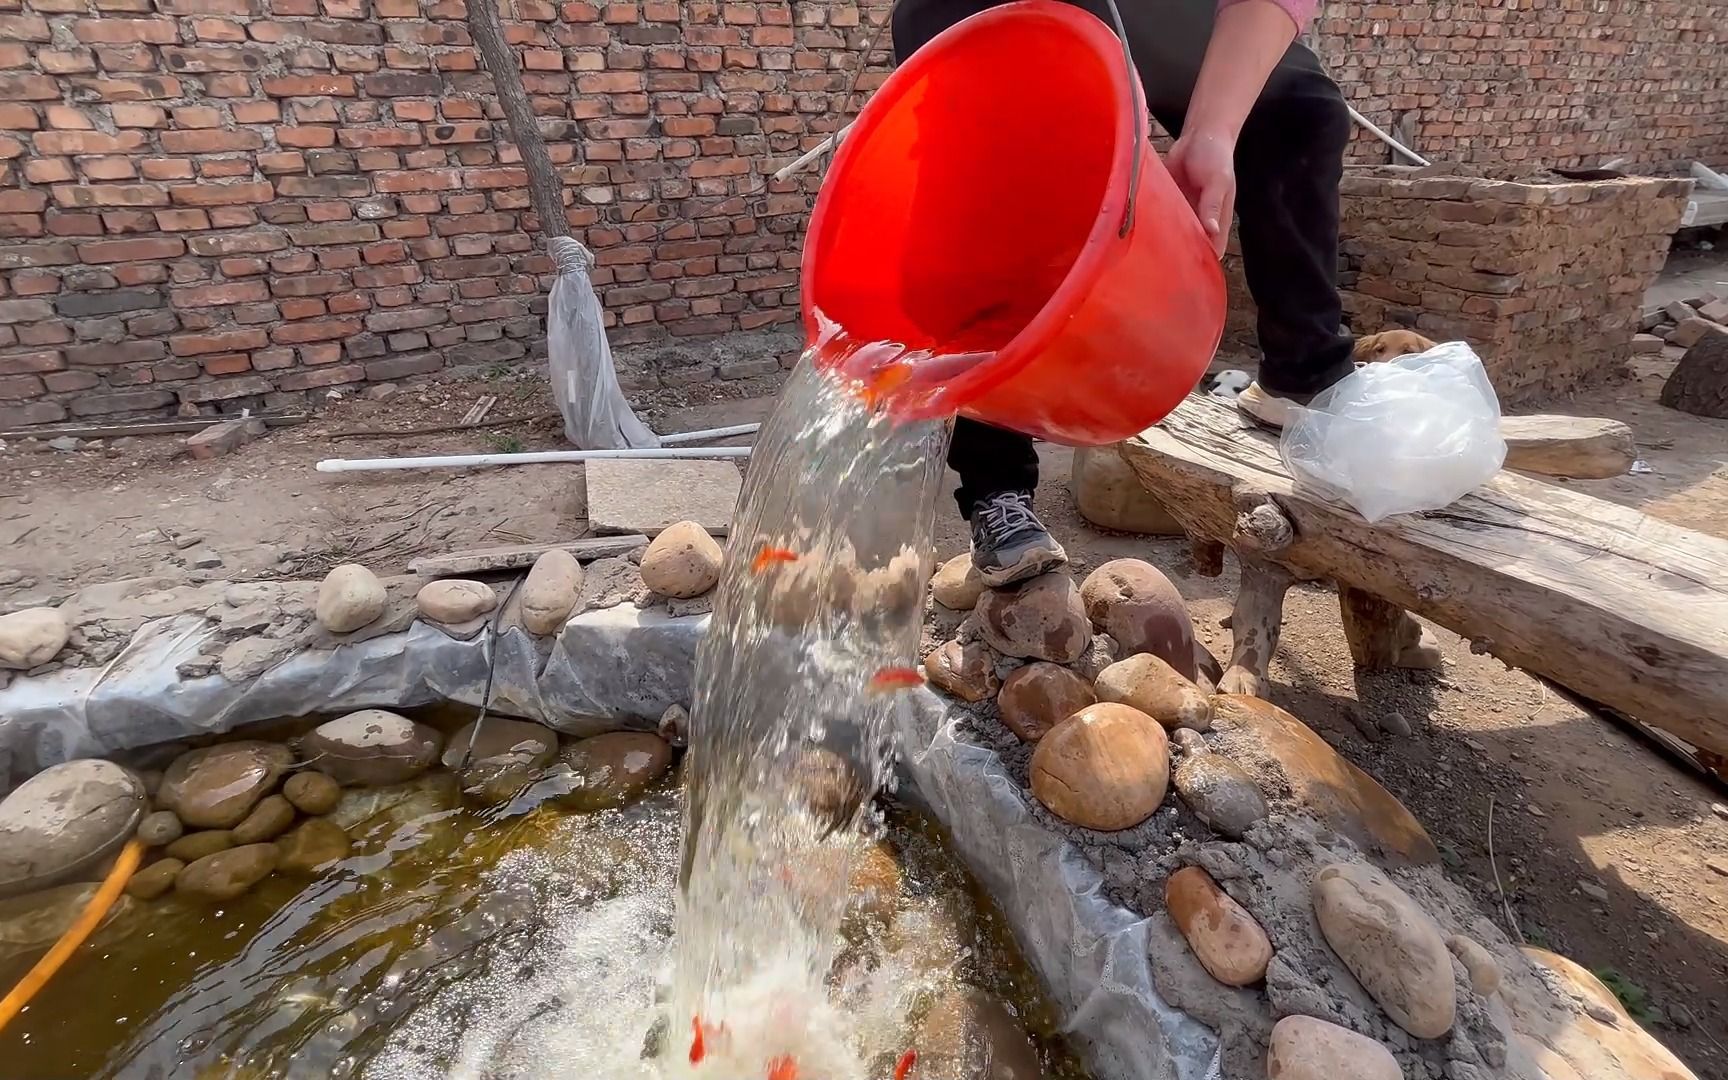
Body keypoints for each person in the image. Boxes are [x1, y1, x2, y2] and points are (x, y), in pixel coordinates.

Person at [892, 0, 1356, 586]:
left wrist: (1212, 133)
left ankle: (1305, 380)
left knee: (1300, 108)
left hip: (1150, 11)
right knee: (1014, 168)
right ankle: (998, 487)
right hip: (988, 11)